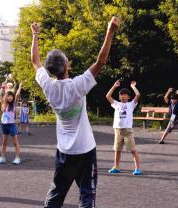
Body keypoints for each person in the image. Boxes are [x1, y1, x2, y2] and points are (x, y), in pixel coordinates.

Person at [31, 16, 120, 208]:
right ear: (66, 65)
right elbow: (101, 62)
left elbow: (35, 62)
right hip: (85, 150)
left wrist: (35, 35)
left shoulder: (48, 86)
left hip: (64, 151)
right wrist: (110, 31)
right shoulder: (78, 85)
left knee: (56, 194)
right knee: (87, 195)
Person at [106, 80, 141, 176]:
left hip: (127, 131)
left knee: (133, 150)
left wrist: (133, 87)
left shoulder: (131, 104)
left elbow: (138, 95)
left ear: (128, 97)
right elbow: (108, 96)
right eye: (121, 95)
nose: (123, 96)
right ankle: (116, 167)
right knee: (117, 150)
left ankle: (137, 169)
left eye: (125, 95)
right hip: (117, 130)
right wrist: (114, 86)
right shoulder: (116, 104)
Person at [0, 82, 22, 165]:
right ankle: (2, 157)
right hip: (4, 125)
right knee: (4, 142)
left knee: (15, 142)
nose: (10, 97)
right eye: (8, 96)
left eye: (11, 96)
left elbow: (17, 94)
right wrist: (2, 87)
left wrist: (20, 86)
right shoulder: (3, 103)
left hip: (11, 125)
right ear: (6, 97)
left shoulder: (14, 104)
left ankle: (17, 158)